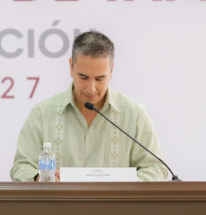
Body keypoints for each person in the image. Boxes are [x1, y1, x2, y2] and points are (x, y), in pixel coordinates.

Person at [10, 31, 168, 182]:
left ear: (111, 71)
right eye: (83, 77)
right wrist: (40, 178)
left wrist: (123, 185)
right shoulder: (42, 113)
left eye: (100, 79)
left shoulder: (134, 114)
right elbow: (21, 168)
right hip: (60, 202)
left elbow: (156, 168)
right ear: (71, 67)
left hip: (117, 202)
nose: (91, 89)